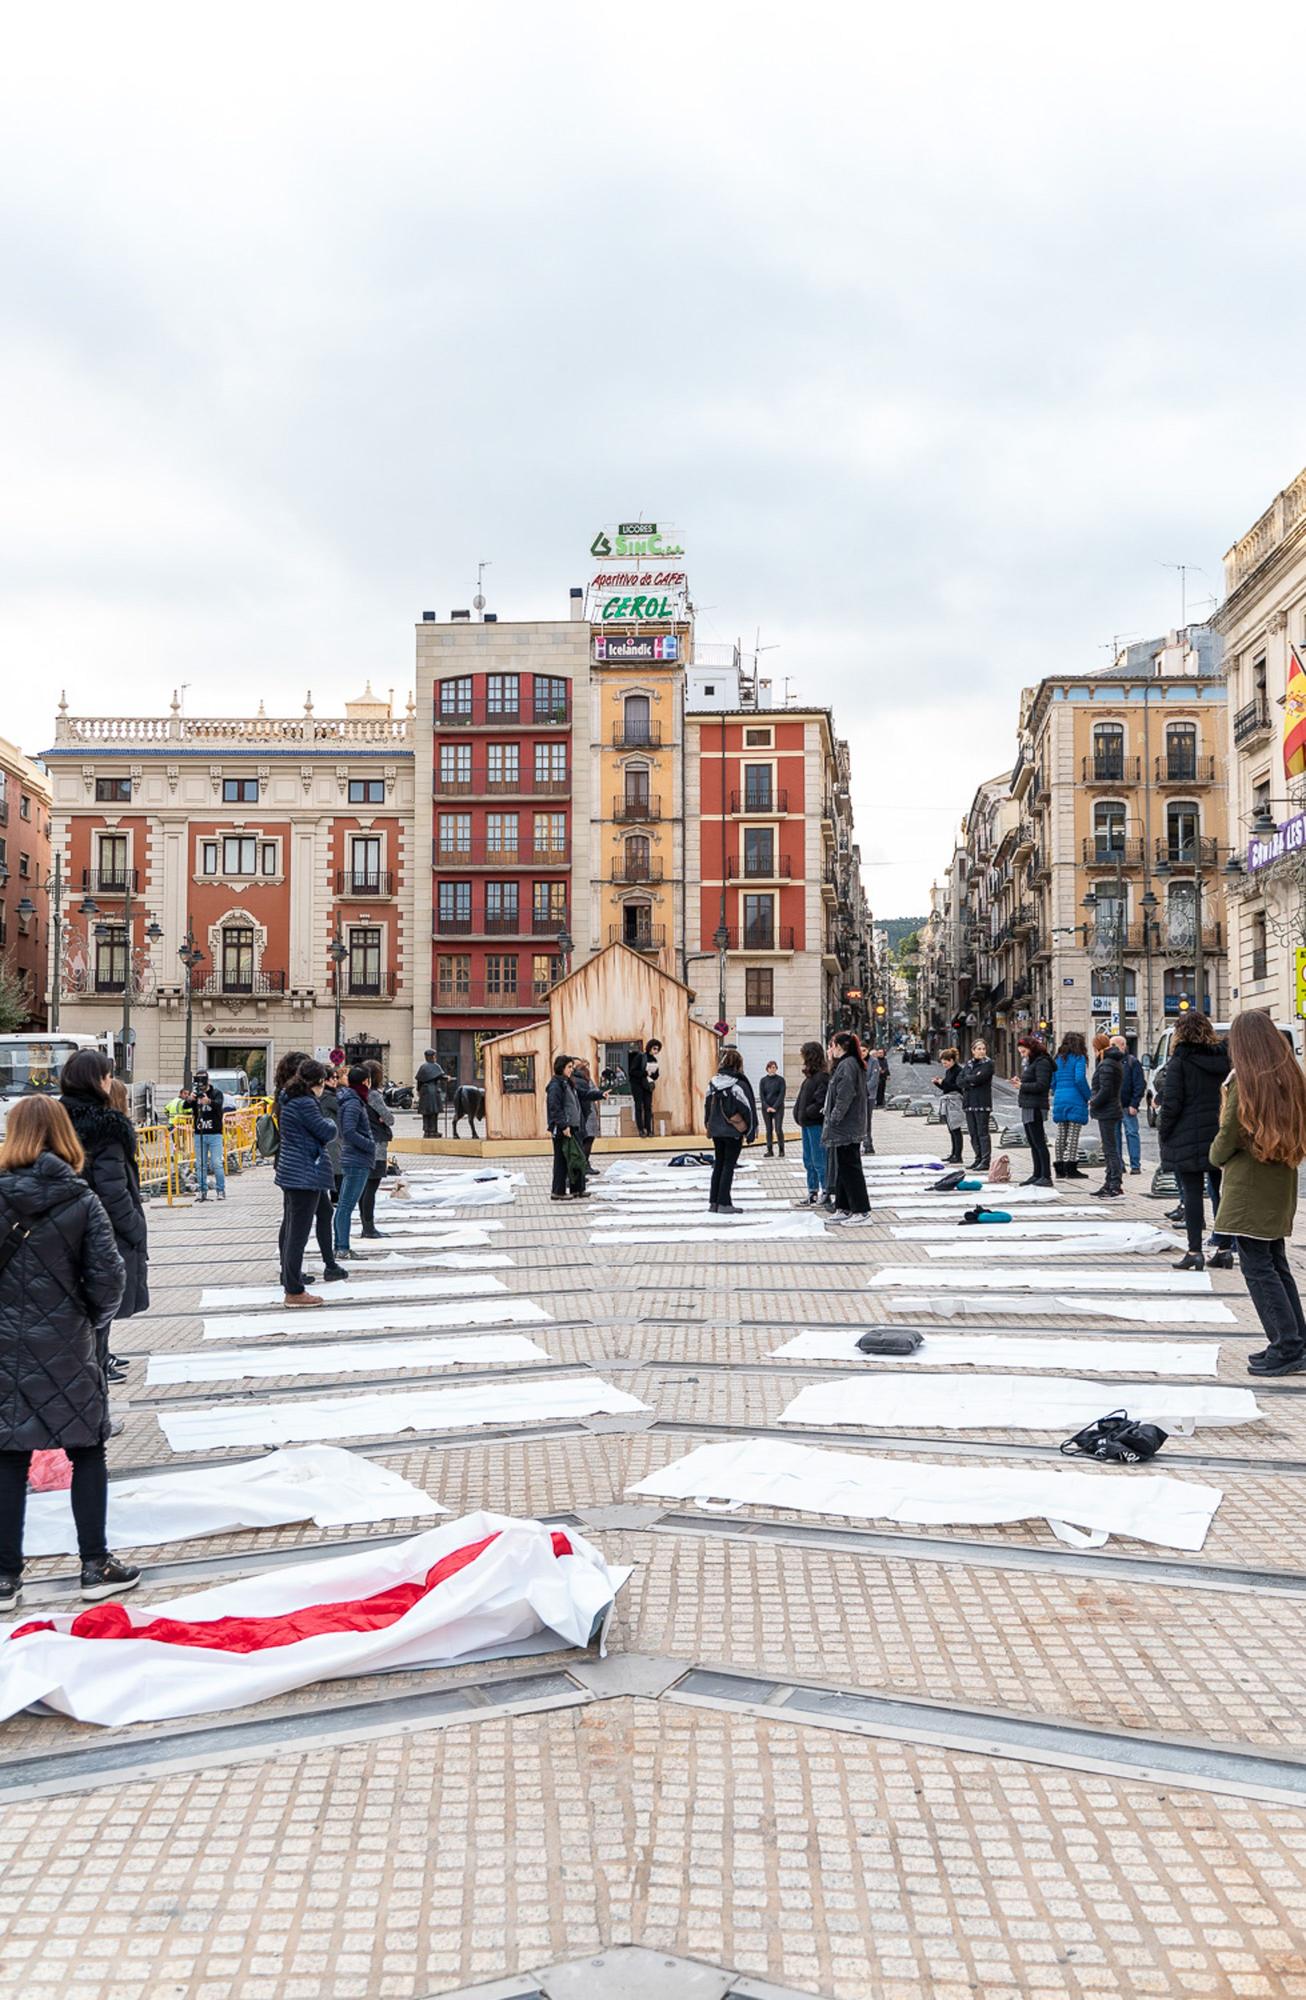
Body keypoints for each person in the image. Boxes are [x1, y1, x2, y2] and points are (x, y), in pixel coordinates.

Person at [0, 1094, 139, 1611]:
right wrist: (88, 1323)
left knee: (8, 1457)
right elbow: (109, 1282)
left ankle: (5, 1578)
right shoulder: (81, 1200)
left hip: (3, 1347)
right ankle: (94, 1565)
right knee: (87, 1450)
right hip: (68, 1343)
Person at [1211, 1011, 1306, 1375]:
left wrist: (1214, 1156)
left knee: (1259, 1268)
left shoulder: (1246, 1082)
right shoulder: (1290, 1077)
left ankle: (1286, 1346)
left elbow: (1229, 1132)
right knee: (1276, 1264)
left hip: (1248, 1186)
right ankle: (1295, 1341)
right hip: (1280, 1181)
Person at [60, 1048, 149, 1388]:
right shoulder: (106, 1126)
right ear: (97, 1081)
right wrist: (135, 1228)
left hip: (60, 1233)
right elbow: (114, 1190)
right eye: (108, 1075)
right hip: (101, 1233)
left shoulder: (54, 1118)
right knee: (100, 1318)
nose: (112, 1082)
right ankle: (94, 1413)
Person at [1156, 1012, 1233, 1270]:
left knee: (1192, 1194)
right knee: (1220, 1192)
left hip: (1187, 1135)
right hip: (1219, 1133)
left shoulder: (1180, 1061)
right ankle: (1224, 1249)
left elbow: (1172, 1103)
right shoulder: (1224, 1059)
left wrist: (1164, 1131)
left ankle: (1195, 1251)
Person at [270, 1051, 348, 1287]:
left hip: (293, 1166)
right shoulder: (303, 1101)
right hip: (303, 1170)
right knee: (296, 1227)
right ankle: (292, 1281)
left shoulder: (286, 1097)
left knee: (314, 1215)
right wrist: (329, 1124)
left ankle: (323, 1265)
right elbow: (324, 1130)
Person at [822, 1031, 871, 1224]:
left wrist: (834, 1117)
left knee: (851, 1168)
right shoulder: (845, 1064)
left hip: (847, 1126)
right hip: (845, 1126)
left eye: (832, 1045)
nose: (830, 1049)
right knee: (843, 1168)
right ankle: (843, 1207)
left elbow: (845, 1095)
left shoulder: (848, 1065)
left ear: (839, 1046)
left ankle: (861, 1210)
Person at [704, 1046, 757, 1214]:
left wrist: (708, 1125)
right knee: (729, 1165)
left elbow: (707, 1106)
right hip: (733, 1132)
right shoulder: (739, 1084)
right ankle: (725, 1203)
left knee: (718, 1164)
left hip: (717, 1131)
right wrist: (750, 1130)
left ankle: (714, 1202)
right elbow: (748, 1109)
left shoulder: (713, 1082)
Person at [332, 1066, 376, 1259]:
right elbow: (348, 1131)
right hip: (356, 1159)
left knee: (344, 1205)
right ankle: (342, 1247)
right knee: (346, 1205)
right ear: (366, 1081)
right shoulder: (353, 1103)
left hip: (354, 1158)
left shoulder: (353, 1100)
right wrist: (369, 1144)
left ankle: (341, 1246)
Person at [1010, 1034, 1054, 1187]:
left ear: (1031, 1049)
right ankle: (1037, 1174)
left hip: (1036, 1106)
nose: (1022, 1055)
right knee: (1033, 1142)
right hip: (1028, 1105)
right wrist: (1020, 1083)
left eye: (1023, 1052)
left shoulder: (1042, 1062)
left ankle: (1046, 1175)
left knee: (1039, 1141)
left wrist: (1022, 1086)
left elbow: (1042, 1085)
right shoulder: (1033, 1062)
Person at [357, 1058, 394, 1240]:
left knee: (363, 1187)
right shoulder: (373, 1095)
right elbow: (389, 1118)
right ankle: (369, 1227)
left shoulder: (357, 1094)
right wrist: (383, 1118)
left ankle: (366, 1225)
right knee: (371, 1188)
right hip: (376, 1144)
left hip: (361, 1143)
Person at [1088, 1032, 1125, 1198]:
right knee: (1109, 1148)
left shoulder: (1107, 1064)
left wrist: (1093, 1101)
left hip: (1107, 1111)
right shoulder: (1110, 1062)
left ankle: (1114, 1184)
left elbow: (1105, 1090)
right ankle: (1109, 1182)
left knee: (1110, 1149)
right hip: (1109, 1110)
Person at [791, 1042, 829, 1205]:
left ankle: (826, 1190)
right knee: (808, 1159)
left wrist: (806, 1112)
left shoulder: (821, 1077)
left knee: (818, 1159)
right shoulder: (811, 1077)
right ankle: (812, 1191)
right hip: (807, 1123)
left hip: (814, 1123)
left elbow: (820, 1101)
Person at [180, 1068, 226, 1202]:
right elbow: (184, 1106)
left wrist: (209, 1101)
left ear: (207, 1080)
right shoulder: (196, 1095)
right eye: (198, 1079)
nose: (200, 1083)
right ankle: (202, 1190)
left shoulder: (216, 1093)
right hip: (199, 1133)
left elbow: (219, 1105)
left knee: (216, 1163)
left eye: (203, 1079)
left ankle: (220, 1190)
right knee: (200, 1164)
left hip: (215, 1133)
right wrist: (190, 1099)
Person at [546, 1055, 587, 1201]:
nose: (572, 1070)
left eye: (572, 1067)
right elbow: (555, 1108)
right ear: (561, 1068)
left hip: (572, 1126)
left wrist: (600, 1094)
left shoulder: (567, 1083)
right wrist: (563, 1125)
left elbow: (582, 1095)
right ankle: (558, 1191)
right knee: (561, 1160)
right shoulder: (556, 1085)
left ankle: (577, 1189)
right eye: (569, 1067)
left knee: (575, 1157)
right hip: (562, 1128)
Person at [1051, 1032, 1091, 1180]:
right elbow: (1079, 1079)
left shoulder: (1058, 1058)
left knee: (1061, 1134)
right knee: (1073, 1134)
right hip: (1075, 1097)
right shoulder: (1079, 1058)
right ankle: (1071, 1167)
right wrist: (1088, 1095)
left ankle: (1059, 1168)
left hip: (1060, 1097)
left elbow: (1053, 1081)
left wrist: (1058, 1092)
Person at [1112, 1033, 1147, 1175]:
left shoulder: (1132, 1062)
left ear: (1123, 1046)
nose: (1111, 1048)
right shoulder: (1109, 1061)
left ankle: (1135, 1165)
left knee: (1132, 1133)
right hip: (1114, 1106)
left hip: (1127, 1106)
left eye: (1114, 1045)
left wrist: (1135, 1103)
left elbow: (1139, 1084)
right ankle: (1119, 1165)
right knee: (1115, 1136)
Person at [959, 1039, 994, 1171]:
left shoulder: (988, 1064)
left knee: (982, 1132)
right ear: (973, 1051)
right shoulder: (968, 1064)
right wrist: (970, 1080)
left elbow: (980, 1078)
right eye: (978, 1049)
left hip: (982, 1102)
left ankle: (985, 1160)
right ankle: (978, 1158)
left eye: (983, 1049)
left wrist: (969, 1079)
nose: (981, 1051)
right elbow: (959, 1080)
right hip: (969, 1102)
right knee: (973, 1133)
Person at [930, 1047, 965, 1163]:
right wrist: (938, 1083)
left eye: (945, 1063)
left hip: (955, 1101)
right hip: (949, 1100)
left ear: (951, 1060)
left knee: (955, 1129)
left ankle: (958, 1155)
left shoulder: (958, 1071)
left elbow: (957, 1086)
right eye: (943, 1063)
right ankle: (953, 1154)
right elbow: (946, 1087)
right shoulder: (949, 1071)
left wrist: (943, 1082)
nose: (944, 1065)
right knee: (951, 1129)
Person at [572, 1060, 604, 1175]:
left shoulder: (573, 1080)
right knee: (587, 1140)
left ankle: (584, 1164)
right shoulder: (583, 1081)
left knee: (584, 1141)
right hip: (587, 1113)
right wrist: (600, 1094)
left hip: (583, 1114)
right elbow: (590, 1093)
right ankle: (584, 1165)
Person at [628, 1039, 660, 1139]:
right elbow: (632, 1072)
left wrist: (653, 1074)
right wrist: (644, 1073)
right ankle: (641, 1129)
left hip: (647, 1085)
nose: (656, 1051)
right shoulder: (640, 1057)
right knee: (638, 1106)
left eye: (658, 1049)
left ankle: (649, 1129)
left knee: (648, 1107)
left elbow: (656, 1075)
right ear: (650, 1047)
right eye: (654, 1048)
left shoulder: (654, 1060)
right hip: (637, 1084)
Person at [415, 1049, 446, 1139]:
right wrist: (447, 1078)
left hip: (424, 1091)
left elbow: (419, 1081)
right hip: (433, 1091)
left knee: (426, 1112)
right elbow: (442, 1076)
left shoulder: (423, 1067)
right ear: (432, 1056)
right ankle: (433, 1131)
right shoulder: (436, 1066)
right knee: (433, 1112)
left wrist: (418, 1091)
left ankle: (426, 1131)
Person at [759, 1060, 786, 1157]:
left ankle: (781, 1149)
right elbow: (762, 1096)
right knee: (769, 1129)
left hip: (778, 1108)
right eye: (770, 1067)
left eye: (774, 1067)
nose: (772, 1069)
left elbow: (782, 1095)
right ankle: (770, 1150)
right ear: (767, 1069)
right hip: (766, 1109)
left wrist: (774, 1107)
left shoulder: (780, 1080)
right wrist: (767, 1107)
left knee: (778, 1129)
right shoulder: (763, 1081)